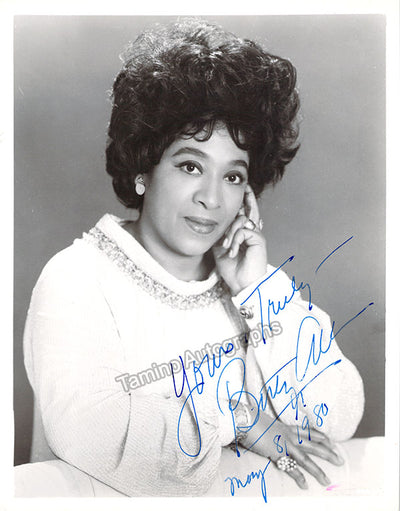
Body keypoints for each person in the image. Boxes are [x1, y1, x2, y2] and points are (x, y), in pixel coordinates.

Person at [17, 18, 366, 498]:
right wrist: (241, 419)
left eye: (233, 176)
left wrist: (257, 293)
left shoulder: (254, 283)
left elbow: (340, 414)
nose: (212, 199)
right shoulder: (76, 278)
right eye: (190, 166)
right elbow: (92, 432)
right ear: (143, 168)